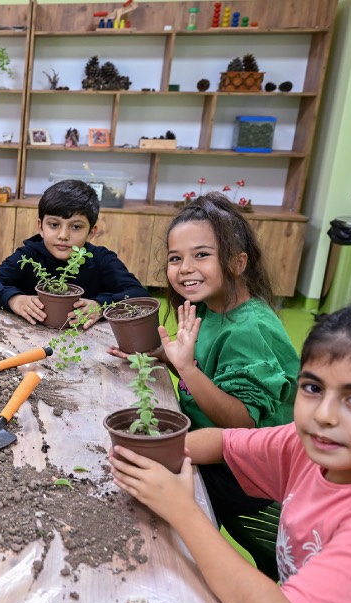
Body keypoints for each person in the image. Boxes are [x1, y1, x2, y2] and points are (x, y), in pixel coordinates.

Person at [109, 302, 351, 603]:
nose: (324, 415)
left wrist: (182, 510)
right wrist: (141, 453)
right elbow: (222, 442)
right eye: (313, 388)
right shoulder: (315, 446)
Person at [110, 193, 300, 548]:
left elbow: (242, 420)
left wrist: (185, 368)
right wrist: (161, 356)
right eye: (175, 258)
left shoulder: (247, 329)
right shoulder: (212, 307)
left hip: (247, 475)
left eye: (201, 255)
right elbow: (208, 372)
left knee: (143, 507)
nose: (184, 268)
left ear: (238, 262)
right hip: (218, 449)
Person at [0, 179, 150, 328]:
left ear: (92, 232)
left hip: (85, 344)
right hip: (26, 339)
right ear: (40, 227)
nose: (63, 236)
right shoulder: (29, 255)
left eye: (76, 227)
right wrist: (13, 299)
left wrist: (100, 305)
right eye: (54, 225)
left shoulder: (101, 259)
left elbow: (139, 295)